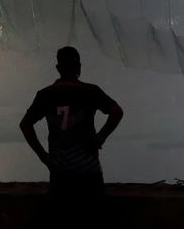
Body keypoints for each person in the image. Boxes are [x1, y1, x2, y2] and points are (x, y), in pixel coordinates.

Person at [20, 46, 124, 196]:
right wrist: (100, 137)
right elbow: (117, 111)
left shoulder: (45, 94)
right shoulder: (90, 91)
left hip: (59, 171)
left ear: (58, 68)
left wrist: (44, 157)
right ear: (79, 67)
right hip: (88, 170)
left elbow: (25, 125)